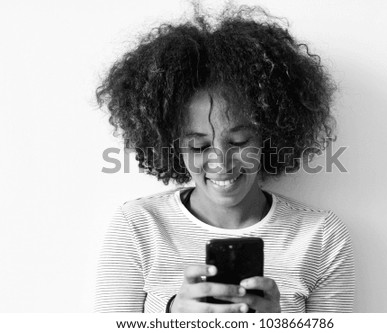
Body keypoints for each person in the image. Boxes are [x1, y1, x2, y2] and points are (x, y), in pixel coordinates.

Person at [94, 5, 355, 313]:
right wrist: (171, 318)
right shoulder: (138, 226)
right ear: (172, 147)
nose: (221, 161)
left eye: (239, 141)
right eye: (199, 146)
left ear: (268, 137)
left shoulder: (321, 235)